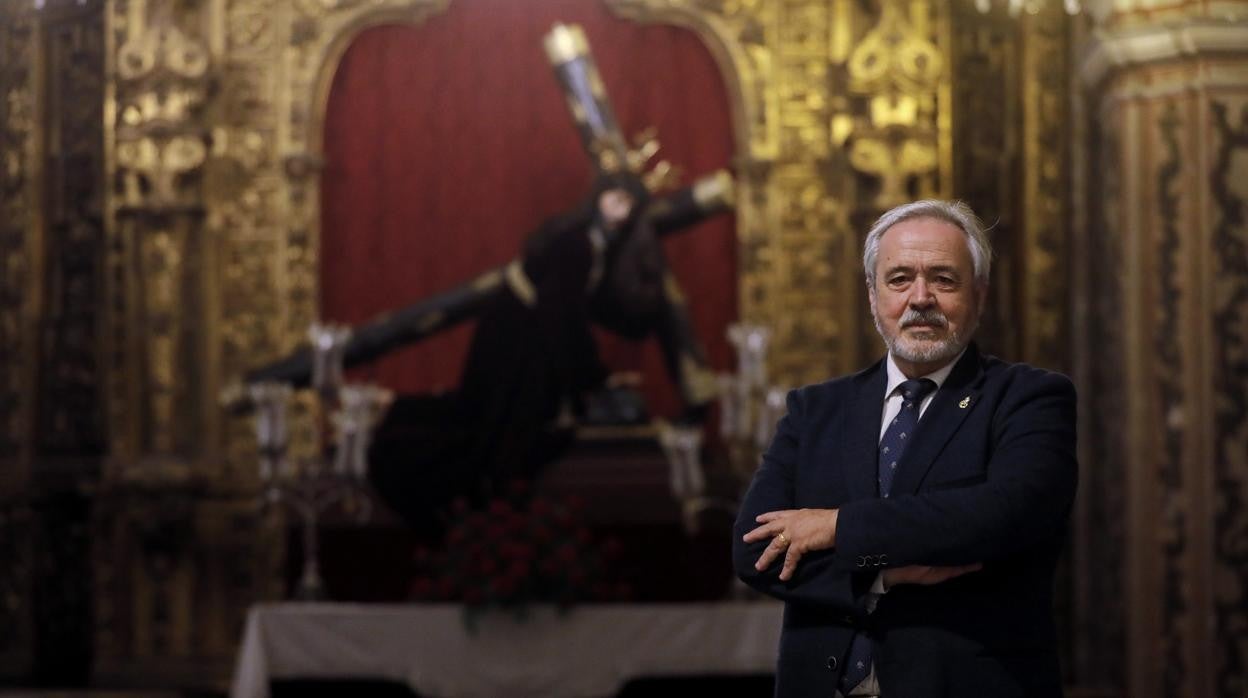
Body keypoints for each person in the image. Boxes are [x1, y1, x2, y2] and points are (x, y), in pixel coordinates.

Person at [732, 200, 1077, 697]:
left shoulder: (1029, 398)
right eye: (899, 280)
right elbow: (754, 550)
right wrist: (885, 573)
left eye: (943, 279)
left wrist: (836, 527)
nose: (921, 298)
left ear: (978, 295)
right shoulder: (816, 410)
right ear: (873, 296)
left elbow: (1002, 515)